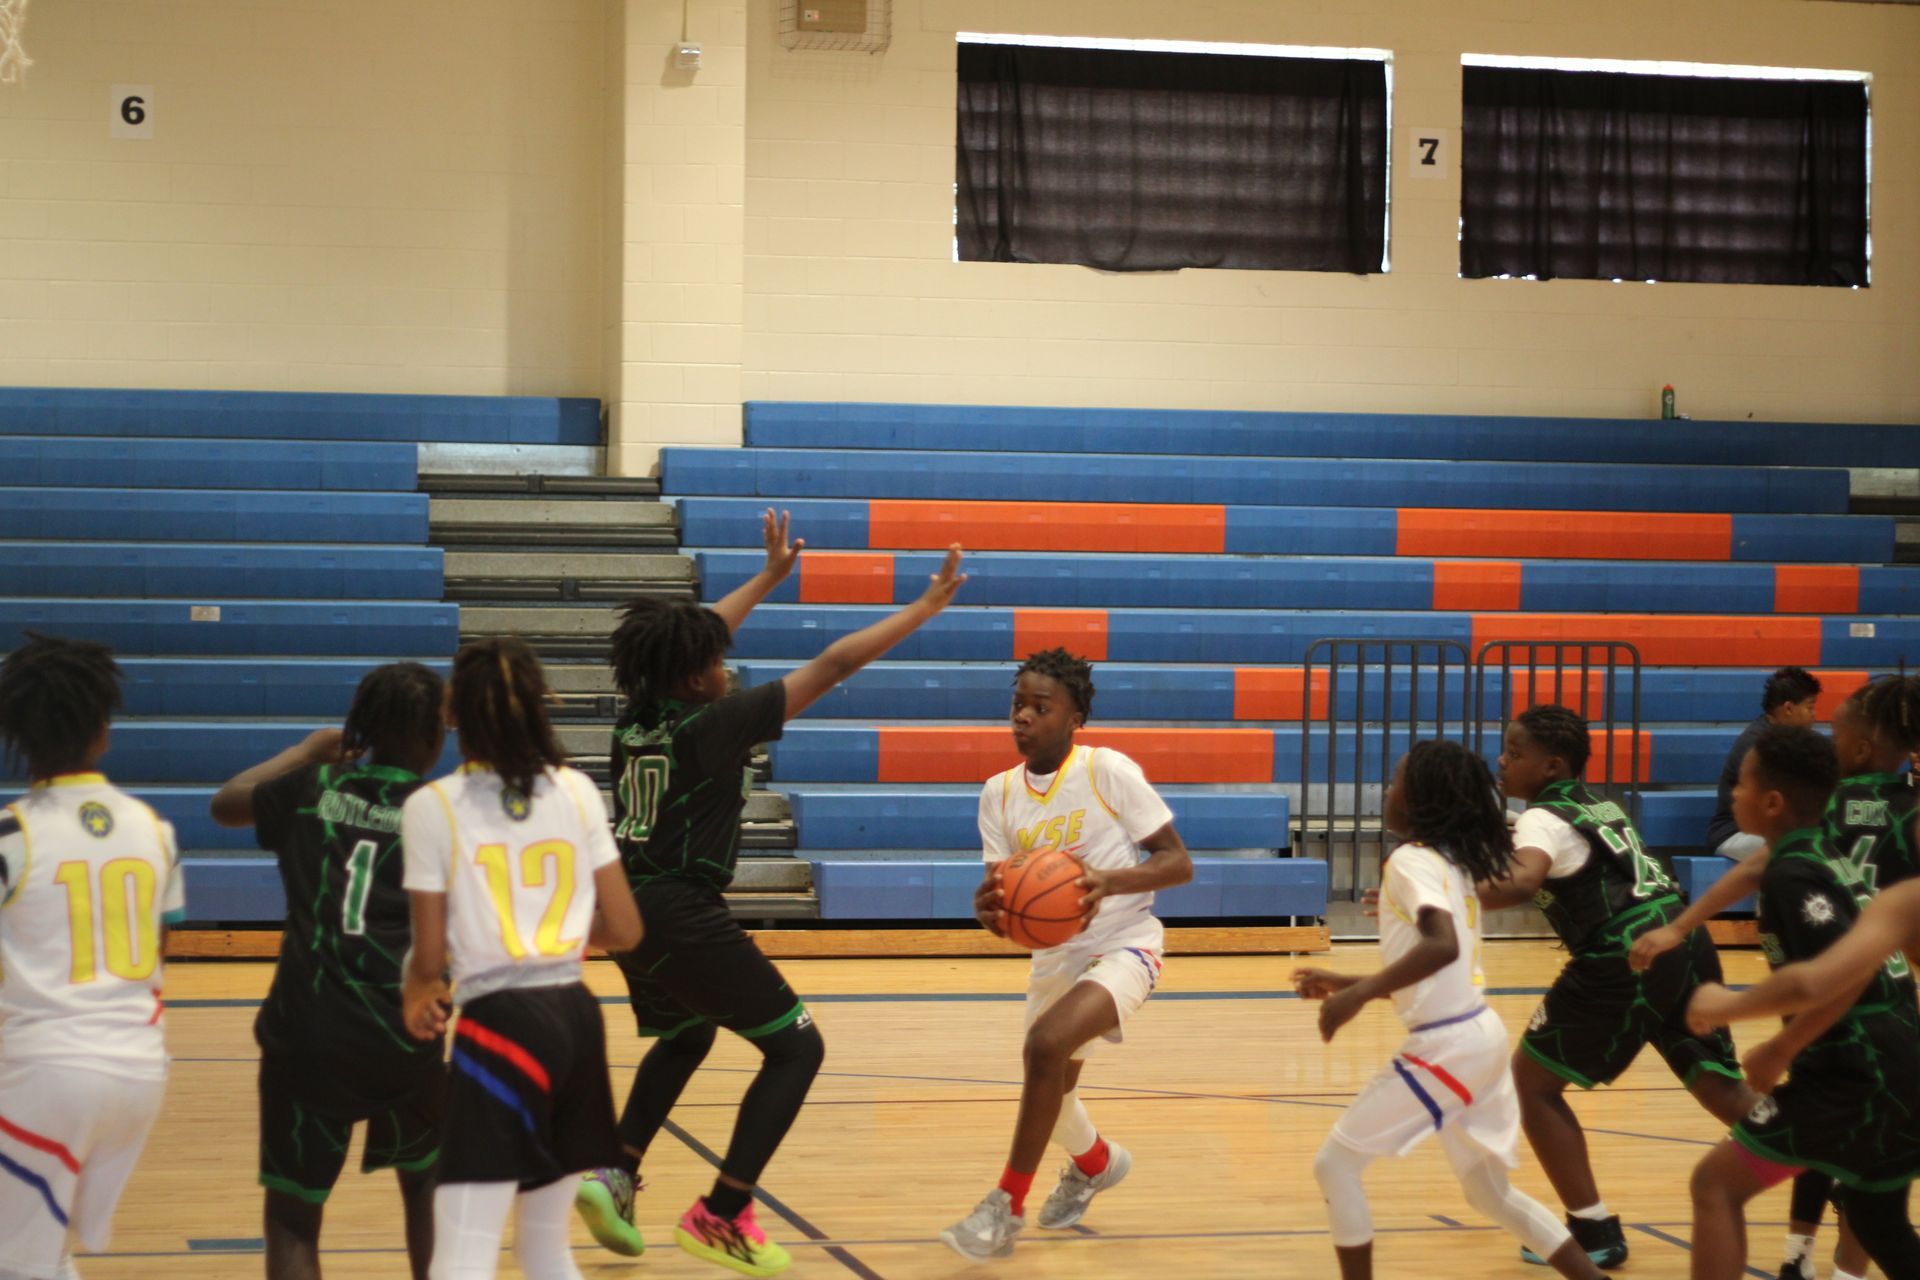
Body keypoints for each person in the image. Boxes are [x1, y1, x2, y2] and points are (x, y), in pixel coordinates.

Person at [577, 512, 965, 1278]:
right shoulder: (715, 723)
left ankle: (617, 1171)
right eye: (720, 662)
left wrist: (766, 578)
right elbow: (833, 663)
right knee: (797, 1048)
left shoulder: (639, 719)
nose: (728, 667)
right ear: (699, 678)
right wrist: (923, 609)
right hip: (682, 910)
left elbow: (697, 636)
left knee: (687, 1035)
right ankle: (722, 1213)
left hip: (626, 908)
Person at [1634, 674, 1920, 1280]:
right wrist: (1679, 929)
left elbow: (1822, 981)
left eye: (1741, 783)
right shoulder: (1852, 830)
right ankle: (1812, 1258)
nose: (1731, 793)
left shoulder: (1810, 851)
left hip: (1857, 1057)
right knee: (1878, 1218)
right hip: (1899, 1038)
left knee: (1716, 1184)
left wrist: (1753, 1026)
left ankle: (1803, 1253)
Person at [1295, 742, 1603, 1280]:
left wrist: (1356, 997)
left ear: (1420, 800)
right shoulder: (1453, 865)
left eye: (1396, 782)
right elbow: (1438, 971)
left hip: (1449, 1046)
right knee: (1489, 1194)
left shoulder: (1410, 861)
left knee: (1335, 1166)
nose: (1387, 791)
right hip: (1477, 1035)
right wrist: (1348, 982)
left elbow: (1442, 946)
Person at [399, 638, 643, 1280]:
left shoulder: (432, 806)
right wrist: (549, 936)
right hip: (575, 1020)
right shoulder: (577, 790)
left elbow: (429, 955)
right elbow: (625, 929)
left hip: (500, 1024)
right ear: (540, 706)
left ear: (454, 713)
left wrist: (417, 988)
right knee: (544, 1248)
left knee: (463, 1253)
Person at [1478, 704, 1754, 1268]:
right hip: (1682, 937)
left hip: (1625, 953)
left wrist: (1447, 886)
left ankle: (1593, 1229)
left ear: (1552, 766)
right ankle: (1831, 1166)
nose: (1501, 761)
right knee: (1720, 1086)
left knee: (1531, 1086)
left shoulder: (1541, 818)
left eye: (1514, 752)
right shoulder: (1597, 802)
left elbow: (1524, 882)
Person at [941, 647, 1194, 1260]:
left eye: (1040, 706)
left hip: (1125, 942)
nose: (1023, 716)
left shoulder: (1106, 771)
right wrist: (989, 909)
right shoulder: (998, 793)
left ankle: (1005, 1207)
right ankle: (1096, 1164)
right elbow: (1007, 898)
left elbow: (1177, 863)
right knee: (1052, 1097)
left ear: (1075, 718)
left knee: (1045, 1045)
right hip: (1056, 957)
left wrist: (1109, 881)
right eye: (1017, 704)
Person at [210, 662, 449, 1280]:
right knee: (428, 1192)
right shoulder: (442, 812)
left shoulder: (312, 787)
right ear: (434, 737)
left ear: (360, 727)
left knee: (293, 1220)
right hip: (408, 1029)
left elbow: (225, 805)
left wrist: (305, 750)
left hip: (309, 1029)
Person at [0, 634, 185, 1280]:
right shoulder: (155, 831)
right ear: (103, 732)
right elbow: (160, 951)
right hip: (139, 1070)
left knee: (16, 1257)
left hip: (47, 1070)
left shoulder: (11, 835)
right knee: (44, 1249)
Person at [1705, 667, 1822, 861]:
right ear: (1789, 708)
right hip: (1736, 833)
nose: (1814, 715)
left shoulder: (1795, 740)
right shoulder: (1757, 744)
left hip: (1768, 831)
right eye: (1810, 707)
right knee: (1802, 844)